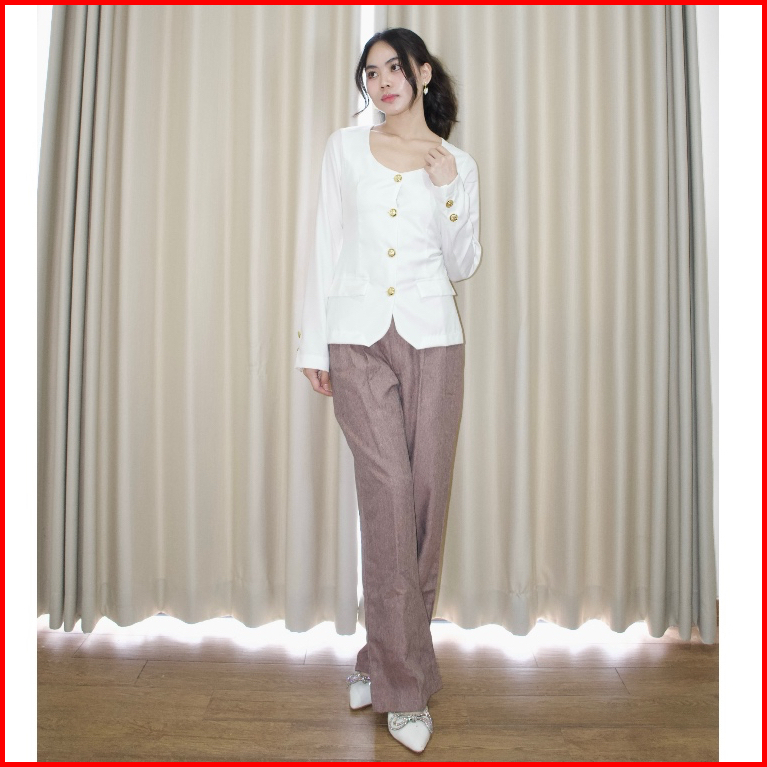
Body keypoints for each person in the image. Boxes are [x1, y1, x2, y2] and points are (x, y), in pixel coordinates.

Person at [294, 27, 481, 754]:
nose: (382, 81)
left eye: (394, 68)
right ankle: (405, 690)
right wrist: (314, 344)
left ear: (422, 73)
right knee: (389, 501)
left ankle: (380, 657)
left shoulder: (455, 162)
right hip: (357, 338)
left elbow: (462, 262)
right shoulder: (344, 149)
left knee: (426, 505)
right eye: (370, 72)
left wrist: (449, 191)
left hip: (434, 340)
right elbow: (325, 245)